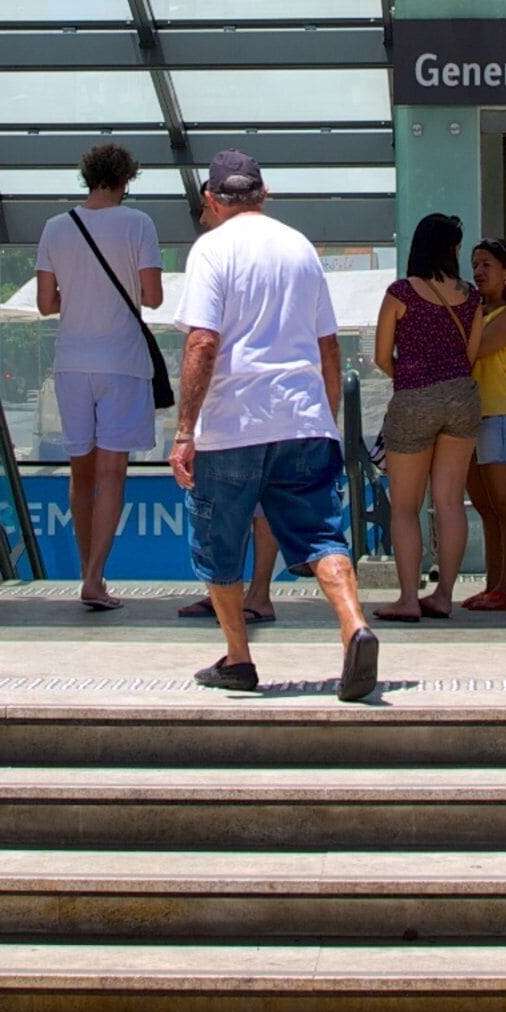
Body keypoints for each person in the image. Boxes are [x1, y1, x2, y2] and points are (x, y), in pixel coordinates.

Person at [171, 150, 377, 700]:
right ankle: (354, 624)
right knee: (321, 533)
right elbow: (328, 346)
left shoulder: (211, 249)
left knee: (219, 543)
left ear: (210, 201)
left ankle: (238, 658)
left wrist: (185, 430)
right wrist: (324, 422)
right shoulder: (301, 248)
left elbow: (202, 341)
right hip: (303, 418)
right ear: (264, 195)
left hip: (233, 425)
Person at [33, 141, 164, 613]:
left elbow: (46, 303)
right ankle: (95, 576)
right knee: (112, 472)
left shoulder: (55, 227)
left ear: (86, 176)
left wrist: (81, 297)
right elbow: (152, 297)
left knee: (80, 470)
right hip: (121, 362)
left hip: (71, 362)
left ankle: (87, 569)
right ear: (127, 179)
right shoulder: (139, 224)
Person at [371, 212, 483, 623]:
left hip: (414, 398)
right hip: (462, 398)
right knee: (450, 502)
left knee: (404, 507)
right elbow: (470, 357)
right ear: (451, 249)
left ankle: (406, 598)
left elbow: (382, 356)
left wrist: (414, 378)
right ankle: (444, 595)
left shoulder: (401, 292)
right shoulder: (471, 297)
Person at [462, 237, 506, 612]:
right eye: (475, 264)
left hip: (498, 411)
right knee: (484, 505)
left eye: (487, 264)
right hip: (467, 414)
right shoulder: (475, 309)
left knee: (505, 503)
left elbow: (477, 348)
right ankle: (493, 586)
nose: (478, 271)